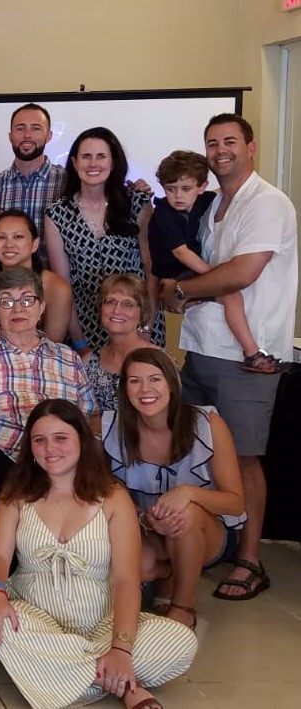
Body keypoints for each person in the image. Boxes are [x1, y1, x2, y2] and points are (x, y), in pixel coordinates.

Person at [0, 399, 197, 709]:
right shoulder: (16, 494)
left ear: (82, 439)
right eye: (39, 440)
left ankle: (68, 673)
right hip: (34, 615)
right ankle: (123, 684)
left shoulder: (113, 497)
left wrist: (121, 648)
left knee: (180, 643)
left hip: (102, 622)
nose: (50, 448)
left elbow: (126, 580)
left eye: (61, 438)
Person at [160, 114, 297, 602]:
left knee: (243, 457)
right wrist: (180, 294)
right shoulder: (213, 204)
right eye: (212, 142)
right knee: (197, 455)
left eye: (230, 142)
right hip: (200, 347)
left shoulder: (268, 204)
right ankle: (202, 546)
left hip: (248, 358)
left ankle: (250, 559)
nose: (221, 150)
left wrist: (178, 289)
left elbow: (239, 273)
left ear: (251, 147)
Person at [103, 348, 246, 629]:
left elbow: (236, 503)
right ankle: (170, 574)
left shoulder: (207, 424)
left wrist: (189, 493)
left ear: (171, 382)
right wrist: (142, 516)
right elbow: (106, 488)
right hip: (146, 526)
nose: (145, 389)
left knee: (185, 514)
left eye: (154, 379)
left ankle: (183, 604)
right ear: (125, 389)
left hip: (207, 530)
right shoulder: (111, 426)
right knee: (139, 565)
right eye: (134, 381)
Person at [0, 267, 97, 536]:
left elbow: (88, 416)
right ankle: (18, 569)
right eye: (6, 301)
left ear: (42, 307)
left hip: (55, 458)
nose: (17, 309)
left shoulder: (67, 358)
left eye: (26, 300)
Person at [150, 150, 279, 372]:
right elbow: (182, 253)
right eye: (170, 189)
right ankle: (251, 352)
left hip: (191, 271)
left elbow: (226, 194)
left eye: (186, 189)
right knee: (229, 292)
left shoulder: (206, 201)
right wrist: (214, 275)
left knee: (231, 295)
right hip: (175, 273)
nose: (178, 196)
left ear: (201, 187)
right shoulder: (164, 214)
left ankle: (250, 350)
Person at [45, 126, 162, 354]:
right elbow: (63, 286)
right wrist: (79, 342)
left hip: (138, 324)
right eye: (86, 157)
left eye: (101, 156)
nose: (93, 164)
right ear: (75, 162)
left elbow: (152, 272)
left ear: (113, 162)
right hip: (85, 329)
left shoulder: (137, 203)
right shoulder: (57, 214)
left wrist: (146, 327)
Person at [0, 209, 72, 343]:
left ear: (35, 244)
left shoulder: (56, 288)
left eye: (18, 237)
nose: (9, 244)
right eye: (1, 237)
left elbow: (52, 347)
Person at [0, 103, 65, 243]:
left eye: (36, 129)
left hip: (55, 266)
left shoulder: (67, 183)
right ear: (10, 136)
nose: (27, 135)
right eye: (20, 128)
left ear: (49, 136)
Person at [83, 275, 161, 411]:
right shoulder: (88, 363)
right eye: (110, 302)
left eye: (128, 304)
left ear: (142, 312)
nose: (117, 310)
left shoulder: (161, 361)